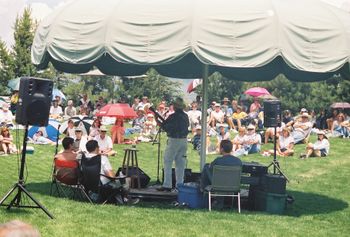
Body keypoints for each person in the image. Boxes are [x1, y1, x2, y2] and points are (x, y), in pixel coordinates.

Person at [82, 140, 139, 205]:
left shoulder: (83, 158)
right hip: (102, 186)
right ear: (97, 148)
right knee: (127, 180)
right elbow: (111, 176)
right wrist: (119, 177)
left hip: (88, 185)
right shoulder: (102, 158)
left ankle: (112, 198)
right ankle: (126, 199)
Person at [157, 97, 189, 192]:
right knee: (180, 163)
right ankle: (179, 185)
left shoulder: (173, 116)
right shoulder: (185, 116)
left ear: (175, 107)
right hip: (184, 140)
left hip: (174, 140)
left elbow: (166, 127)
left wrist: (157, 120)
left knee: (168, 161)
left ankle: (167, 185)